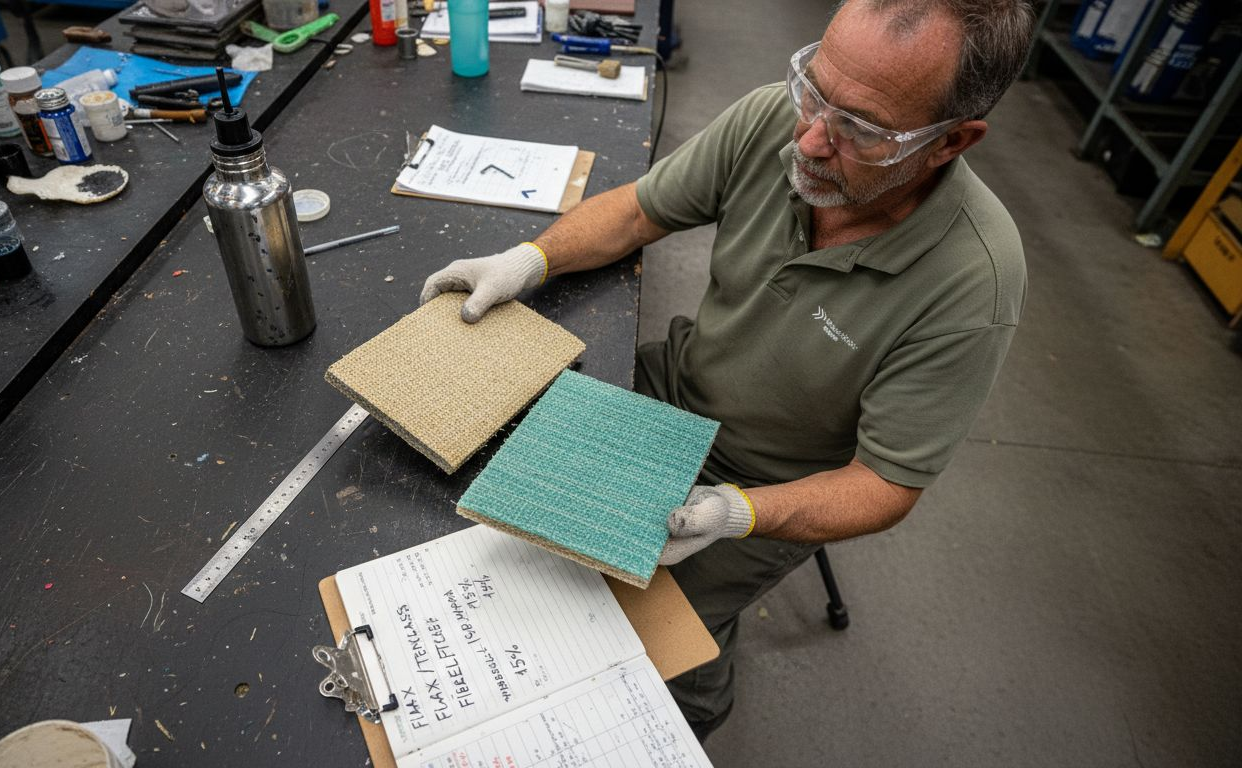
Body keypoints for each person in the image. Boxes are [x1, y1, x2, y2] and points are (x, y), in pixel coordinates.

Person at [421, 0, 1034, 742]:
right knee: (484, 510)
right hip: (673, 388)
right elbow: (638, 214)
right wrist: (530, 260)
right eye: (813, 88)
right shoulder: (772, 122)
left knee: (627, 651)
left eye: (862, 131)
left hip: (770, 482)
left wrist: (740, 513)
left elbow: (887, 484)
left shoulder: (973, 278)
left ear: (951, 142)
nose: (809, 139)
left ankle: (694, 707)